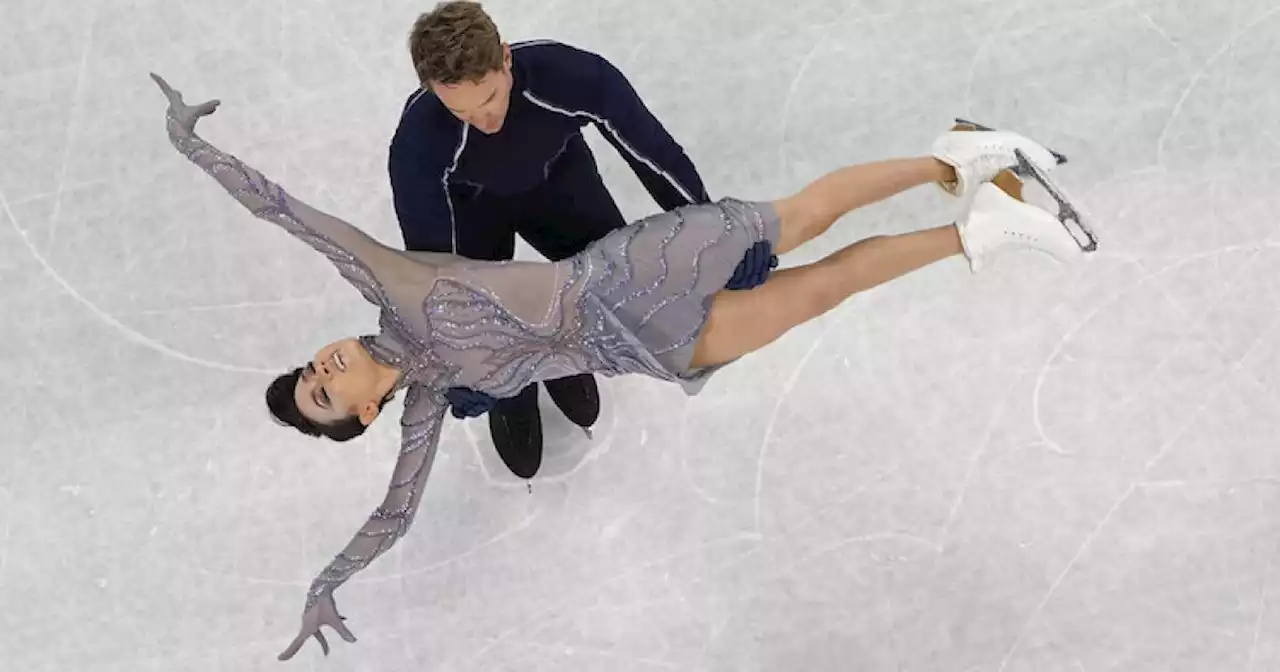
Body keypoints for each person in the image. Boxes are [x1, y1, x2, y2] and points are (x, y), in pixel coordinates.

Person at [147, 74, 1086, 661]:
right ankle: (978, 227)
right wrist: (325, 584)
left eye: (308, 369)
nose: (320, 367)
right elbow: (394, 514)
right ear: (356, 417)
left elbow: (282, 209)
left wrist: (190, 145)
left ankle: (955, 157)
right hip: (636, 345)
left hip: (628, 269)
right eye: (321, 392)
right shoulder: (428, 404)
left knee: (800, 220)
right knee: (819, 291)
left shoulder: (384, 284)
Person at [388, 2, 742, 479]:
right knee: (483, 312)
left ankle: (565, 357)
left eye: (490, 97)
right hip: (470, 211)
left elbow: (654, 155)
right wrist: (454, 362)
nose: (483, 119)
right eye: (460, 110)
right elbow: (429, 270)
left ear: (506, 59)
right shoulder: (419, 141)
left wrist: (714, 230)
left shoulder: (569, 75)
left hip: (559, 183)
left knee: (610, 280)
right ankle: (512, 390)